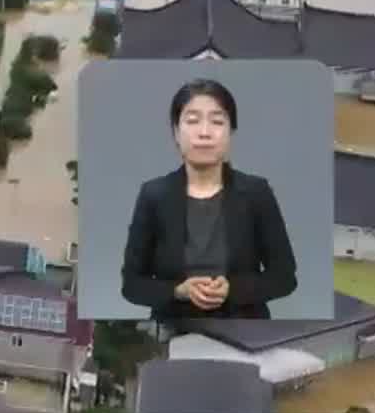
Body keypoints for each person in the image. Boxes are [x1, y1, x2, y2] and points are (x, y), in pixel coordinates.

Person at [120, 78, 297, 319]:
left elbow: (284, 278)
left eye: (217, 121)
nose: (204, 133)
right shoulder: (154, 195)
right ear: (176, 132)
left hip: (246, 329)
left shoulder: (256, 192)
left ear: (231, 132)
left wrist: (233, 289)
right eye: (192, 121)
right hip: (174, 330)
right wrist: (178, 291)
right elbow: (132, 285)